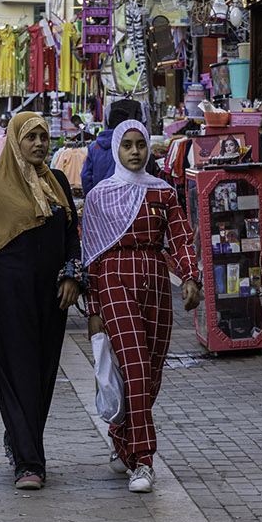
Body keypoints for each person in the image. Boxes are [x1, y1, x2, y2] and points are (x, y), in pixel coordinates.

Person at [0, 112, 83, 491]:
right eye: (30, 138)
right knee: (17, 374)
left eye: (43, 136)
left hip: (52, 296)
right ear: (15, 142)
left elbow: (72, 233)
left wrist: (73, 273)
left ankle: (22, 443)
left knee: (43, 376)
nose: (39, 143)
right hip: (11, 294)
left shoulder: (57, 182)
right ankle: (29, 463)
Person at [82, 120, 201, 493]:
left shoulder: (163, 193)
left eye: (140, 145)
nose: (134, 152)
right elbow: (90, 257)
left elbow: (181, 238)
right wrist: (93, 308)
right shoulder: (99, 196)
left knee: (150, 369)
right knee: (132, 365)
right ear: (116, 150)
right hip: (113, 281)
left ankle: (121, 436)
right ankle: (144, 461)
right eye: (127, 145)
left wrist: (191, 277)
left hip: (155, 283)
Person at [81, 99, 143, 194]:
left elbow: (85, 175)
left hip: (99, 196)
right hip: (122, 196)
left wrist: (91, 196)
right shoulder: (126, 146)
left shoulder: (94, 146)